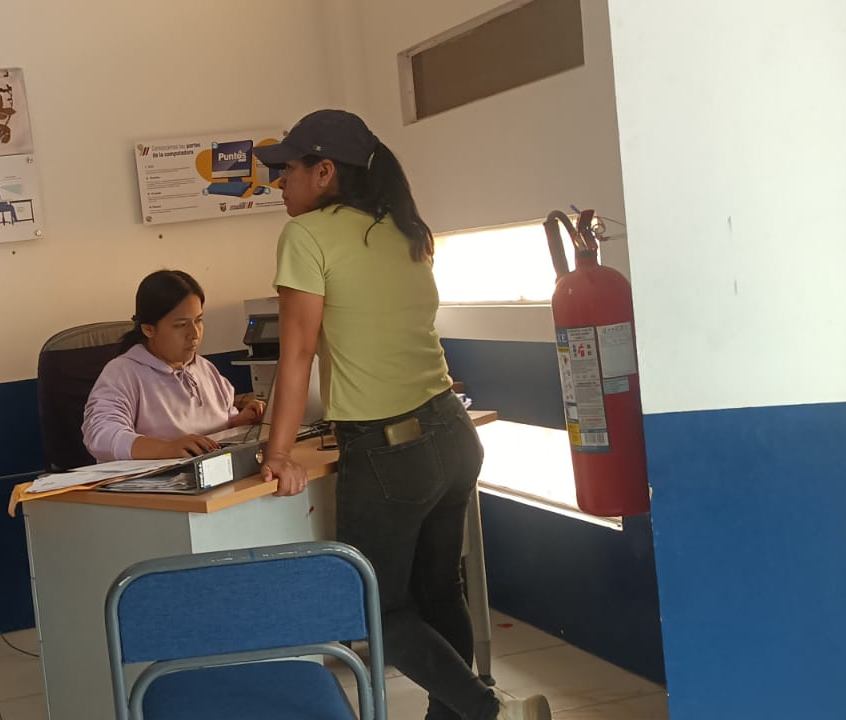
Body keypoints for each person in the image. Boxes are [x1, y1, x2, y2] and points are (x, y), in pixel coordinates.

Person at [253, 111, 552, 720]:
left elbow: (298, 353)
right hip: (451, 432)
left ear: (325, 171)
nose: (280, 182)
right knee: (440, 592)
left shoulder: (306, 236)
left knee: (373, 608)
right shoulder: (404, 229)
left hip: (391, 452)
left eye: (289, 169)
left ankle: (492, 712)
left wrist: (277, 454)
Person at [82, 269, 265, 463]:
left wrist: (239, 423)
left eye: (198, 320)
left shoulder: (204, 368)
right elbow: (100, 435)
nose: (194, 334)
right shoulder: (123, 372)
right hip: (157, 480)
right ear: (149, 329)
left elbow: (219, 422)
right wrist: (167, 448)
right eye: (181, 325)